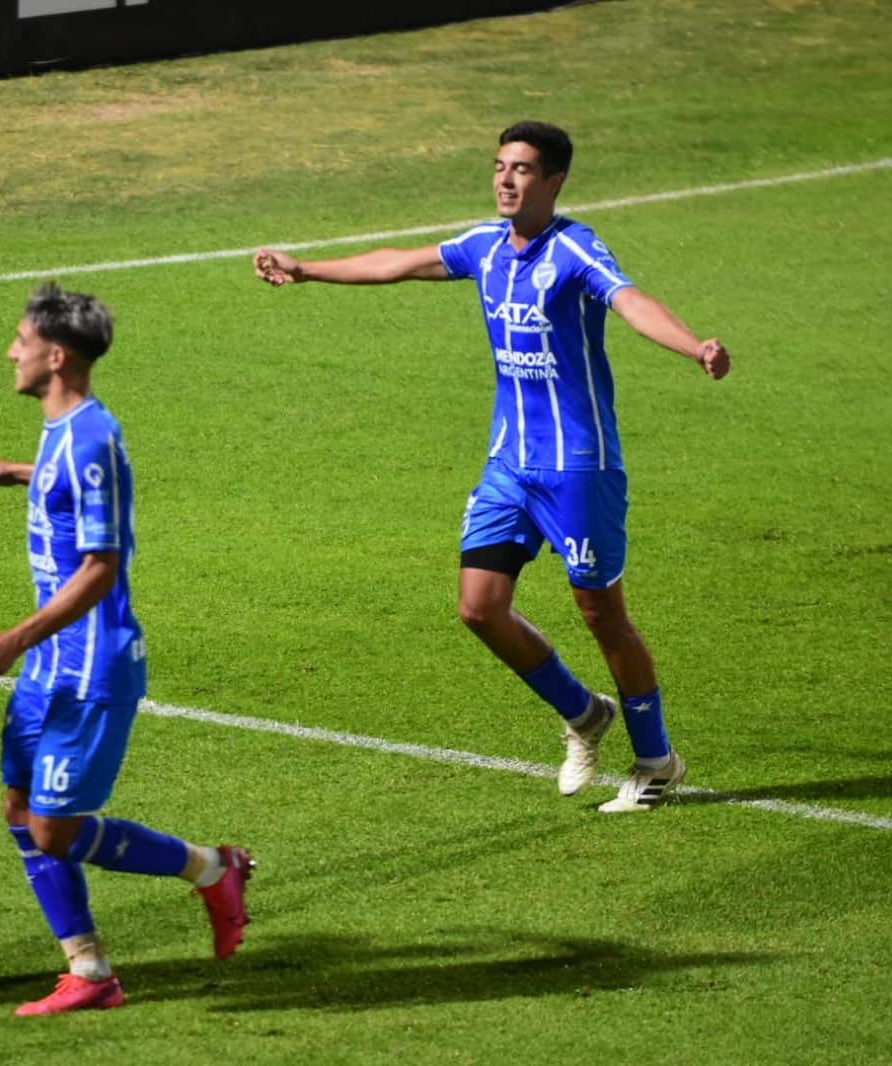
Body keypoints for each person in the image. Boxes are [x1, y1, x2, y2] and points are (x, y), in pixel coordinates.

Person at [253, 121, 730, 814]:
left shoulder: (572, 249)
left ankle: (655, 760)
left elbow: (630, 301)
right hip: (509, 463)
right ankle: (584, 714)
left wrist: (692, 347)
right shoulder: (483, 247)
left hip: (577, 470)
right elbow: (397, 262)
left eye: (523, 170)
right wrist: (306, 269)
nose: (506, 180)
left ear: (555, 181)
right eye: (500, 167)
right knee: (478, 608)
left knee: (601, 615)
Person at [0, 282, 252, 1016]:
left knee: (53, 830)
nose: (10, 352)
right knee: (19, 809)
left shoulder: (89, 438)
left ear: (54, 356)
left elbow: (100, 566)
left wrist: (12, 637)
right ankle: (88, 971)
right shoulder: (63, 433)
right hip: (49, 666)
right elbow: (79, 486)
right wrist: (18, 477)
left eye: (20, 341)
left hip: (88, 666)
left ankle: (212, 868)